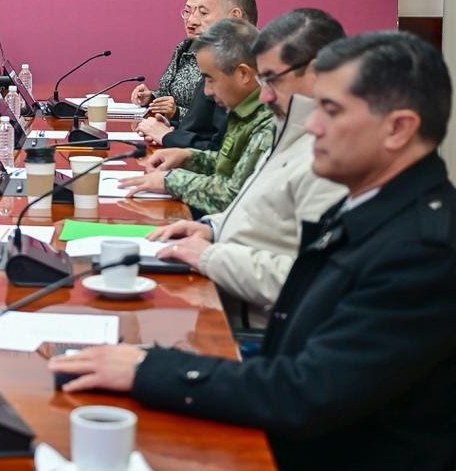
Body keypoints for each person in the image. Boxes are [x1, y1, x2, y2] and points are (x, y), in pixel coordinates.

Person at [49, 31, 456, 470]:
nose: (312, 125)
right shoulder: (375, 203)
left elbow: (306, 393)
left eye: (331, 111)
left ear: (398, 128)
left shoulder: (422, 251)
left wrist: (150, 369)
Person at [145, 9, 348, 328]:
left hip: (253, 333)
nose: (263, 94)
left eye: (271, 79)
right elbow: (253, 204)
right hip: (225, 300)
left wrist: (209, 256)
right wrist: (213, 229)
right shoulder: (287, 128)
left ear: (315, 73)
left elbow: (309, 279)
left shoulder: (329, 159)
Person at [121, 18, 275, 215]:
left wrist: (170, 181)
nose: (207, 91)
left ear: (243, 74)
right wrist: (188, 157)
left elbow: (232, 196)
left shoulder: (268, 120)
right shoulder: (243, 110)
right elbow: (231, 164)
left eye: (210, 79)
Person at [137, 0, 258, 150]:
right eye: (190, 12)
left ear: (234, 17)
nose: (192, 21)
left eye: (203, 13)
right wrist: (171, 128)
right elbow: (201, 129)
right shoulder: (214, 58)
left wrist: (168, 137)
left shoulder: (242, 67)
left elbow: (219, 150)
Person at [131, 0, 204, 120]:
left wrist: (177, 113)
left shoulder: (218, 58)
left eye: (202, 13)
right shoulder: (183, 48)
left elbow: (215, 118)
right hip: (166, 128)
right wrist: (152, 97)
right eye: (187, 11)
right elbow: (171, 94)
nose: (191, 20)